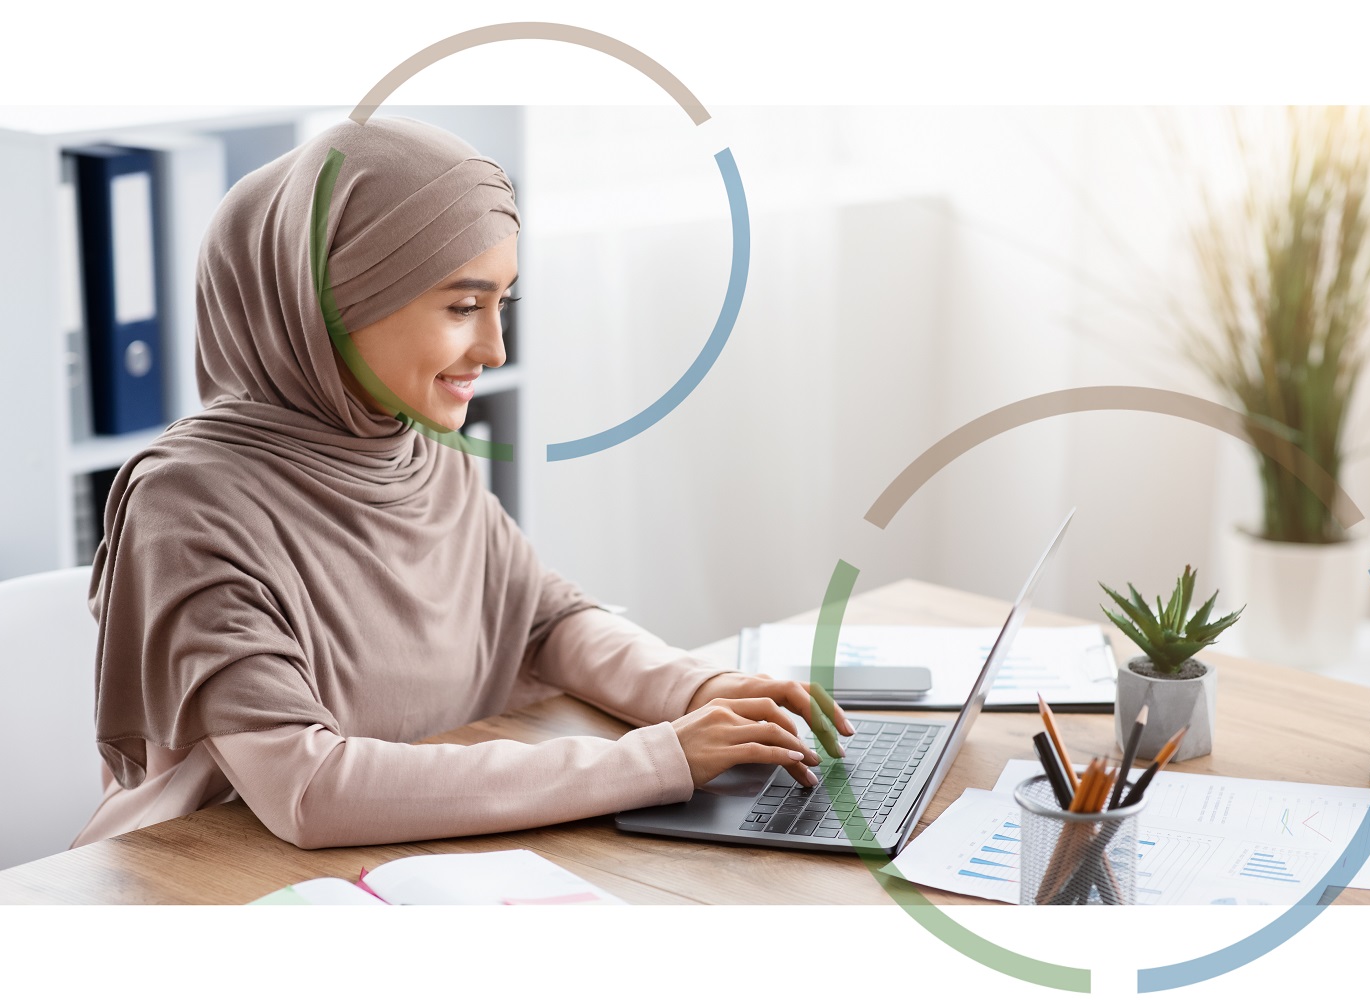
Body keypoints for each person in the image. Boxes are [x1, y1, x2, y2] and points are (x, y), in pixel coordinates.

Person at [72, 117, 852, 851]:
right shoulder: (188, 503)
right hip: (208, 884)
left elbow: (547, 621)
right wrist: (656, 761)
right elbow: (305, 788)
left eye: (502, 304)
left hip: (401, 862)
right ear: (331, 306)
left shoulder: (418, 447)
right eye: (462, 306)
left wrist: (700, 690)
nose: (494, 348)